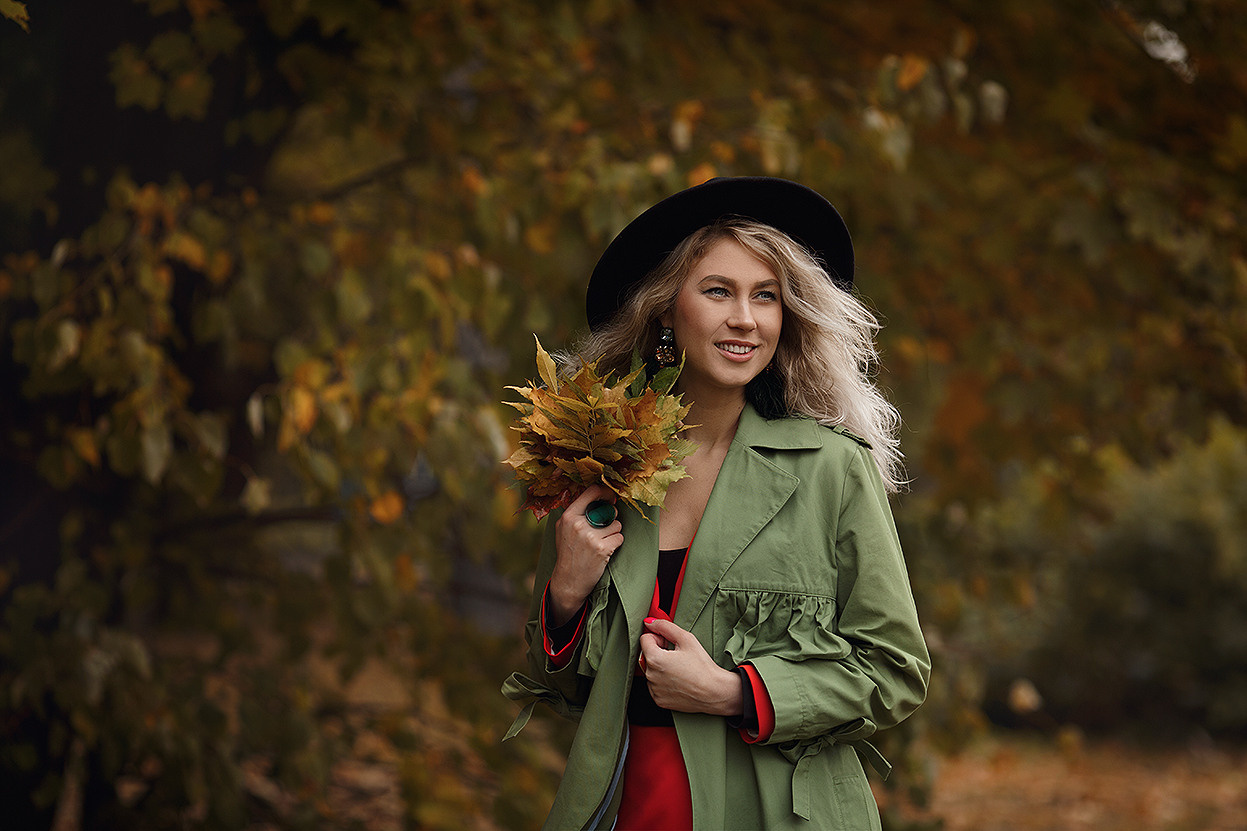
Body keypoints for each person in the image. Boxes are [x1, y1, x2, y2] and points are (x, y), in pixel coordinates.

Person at [503, 176, 930, 830]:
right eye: (717, 291)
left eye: (765, 296)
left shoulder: (832, 468)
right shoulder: (603, 464)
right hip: (632, 804)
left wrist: (733, 692)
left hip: (778, 812)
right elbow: (561, 686)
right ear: (665, 311)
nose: (745, 318)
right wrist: (565, 591)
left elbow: (894, 670)